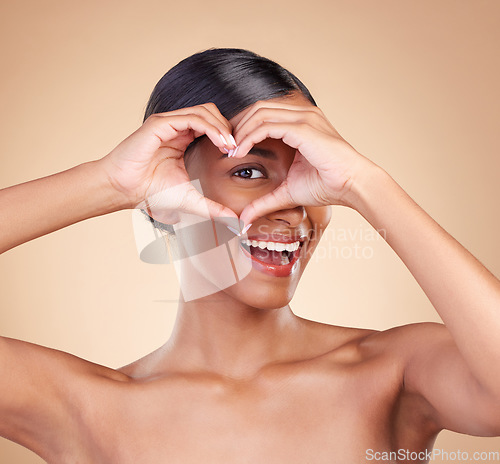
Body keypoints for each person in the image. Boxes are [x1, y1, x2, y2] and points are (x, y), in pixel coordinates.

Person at [0, 48, 499, 463]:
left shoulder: (393, 373)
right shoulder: (86, 406)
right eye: (248, 172)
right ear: (169, 191)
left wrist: (362, 182)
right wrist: (109, 182)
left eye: (309, 173)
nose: (290, 205)